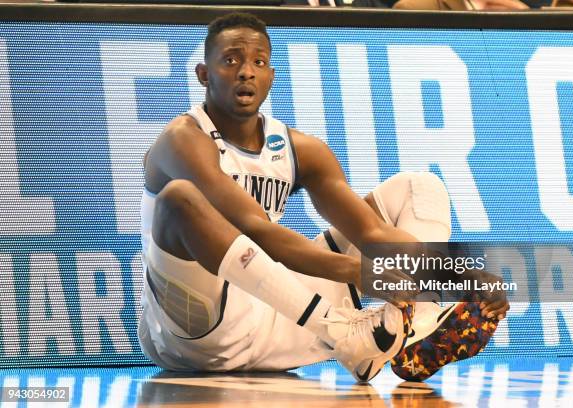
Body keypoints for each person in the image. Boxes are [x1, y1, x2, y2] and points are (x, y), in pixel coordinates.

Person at [138, 12, 509, 383]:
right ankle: (344, 332)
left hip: (278, 315)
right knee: (179, 198)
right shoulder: (182, 139)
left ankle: (414, 329)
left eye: (259, 62)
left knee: (419, 186)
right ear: (204, 74)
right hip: (193, 335)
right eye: (231, 60)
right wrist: (362, 274)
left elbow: (373, 236)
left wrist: (456, 277)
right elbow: (256, 230)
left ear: (272, 76)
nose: (246, 71)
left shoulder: (301, 150)